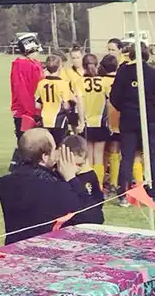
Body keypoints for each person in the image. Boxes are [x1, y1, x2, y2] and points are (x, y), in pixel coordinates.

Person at [0, 128, 90, 244]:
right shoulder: (54, 186)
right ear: (45, 156)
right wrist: (71, 178)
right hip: (44, 251)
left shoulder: (6, 183)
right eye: (54, 149)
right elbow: (92, 216)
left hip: (13, 247)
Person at [108, 42, 155, 208]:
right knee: (151, 156)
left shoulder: (123, 72)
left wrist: (126, 107)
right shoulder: (153, 73)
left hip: (129, 119)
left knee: (127, 156)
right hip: (149, 119)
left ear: (131, 54)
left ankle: (123, 196)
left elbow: (114, 97)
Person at [9, 33, 43, 169]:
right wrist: (32, 111)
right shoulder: (22, 66)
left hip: (32, 110)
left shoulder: (33, 64)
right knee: (26, 144)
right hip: (26, 112)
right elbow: (23, 91)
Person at [61, 134, 104, 224]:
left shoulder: (90, 174)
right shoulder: (58, 175)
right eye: (73, 164)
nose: (76, 168)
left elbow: (98, 198)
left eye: (80, 165)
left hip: (86, 219)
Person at [80, 53, 110, 187]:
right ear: (97, 65)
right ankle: (99, 185)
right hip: (100, 122)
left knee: (88, 156)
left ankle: (89, 185)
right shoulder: (103, 82)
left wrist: (80, 121)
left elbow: (80, 103)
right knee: (99, 156)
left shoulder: (79, 82)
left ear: (83, 66)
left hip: (87, 122)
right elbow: (109, 102)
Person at [35, 54, 78, 145]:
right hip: (59, 119)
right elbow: (66, 106)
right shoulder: (63, 84)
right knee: (59, 146)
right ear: (60, 67)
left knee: (47, 146)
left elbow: (37, 105)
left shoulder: (41, 83)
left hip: (45, 119)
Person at [99, 54, 121, 194]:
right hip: (120, 118)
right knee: (116, 150)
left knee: (105, 151)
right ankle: (114, 181)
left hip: (105, 119)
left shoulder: (101, 81)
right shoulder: (120, 80)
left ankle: (103, 181)